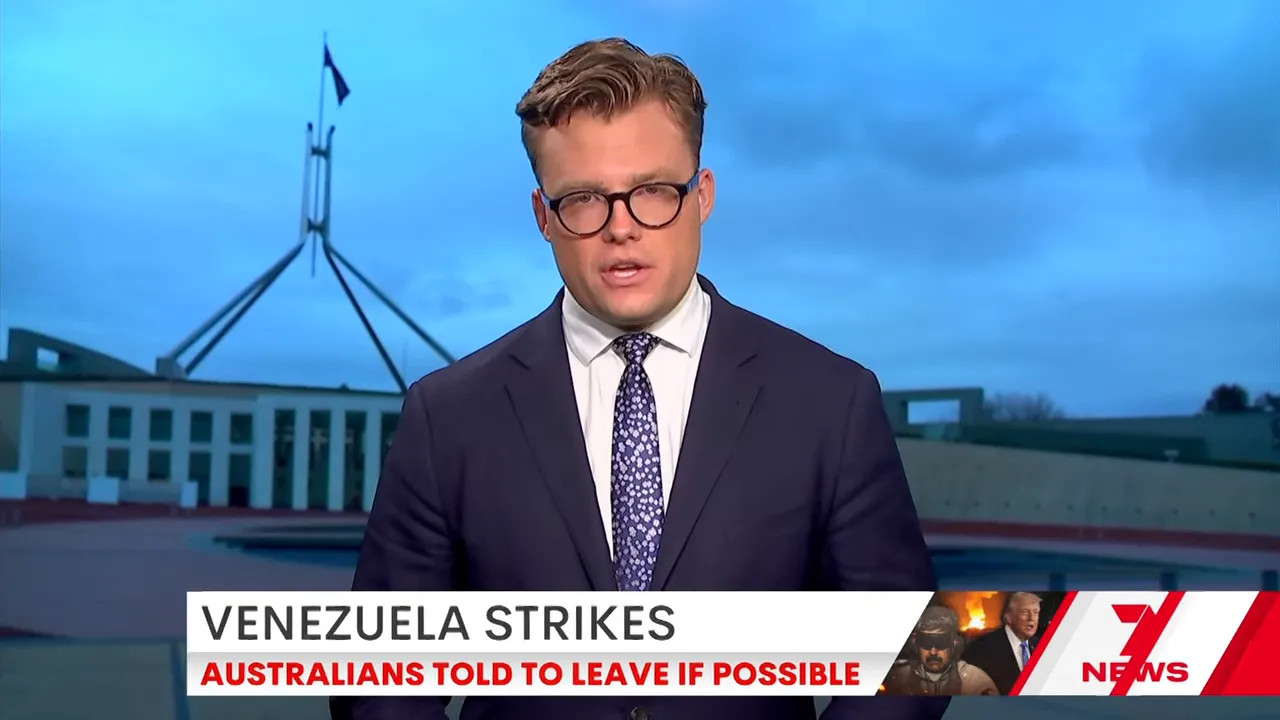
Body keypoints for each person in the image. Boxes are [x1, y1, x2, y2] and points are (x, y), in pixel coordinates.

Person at [341, 37, 944, 720]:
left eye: (653, 192)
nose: (621, 228)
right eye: (584, 200)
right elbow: (379, 684)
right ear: (543, 216)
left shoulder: (829, 402)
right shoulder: (447, 417)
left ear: (702, 195)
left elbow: (917, 656)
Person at [881, 606, 999, 696]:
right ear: (915, 642)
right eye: (926, 642)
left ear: (954, 644)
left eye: (941, 643)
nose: (933, 652)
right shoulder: (897, 678)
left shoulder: (975, 683)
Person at [961, 591, 1042, 695]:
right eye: (1025, 612)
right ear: (1008, 617)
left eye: (1036, 612)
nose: (1032, 619)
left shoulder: (1041, 646)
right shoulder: (981, 649)